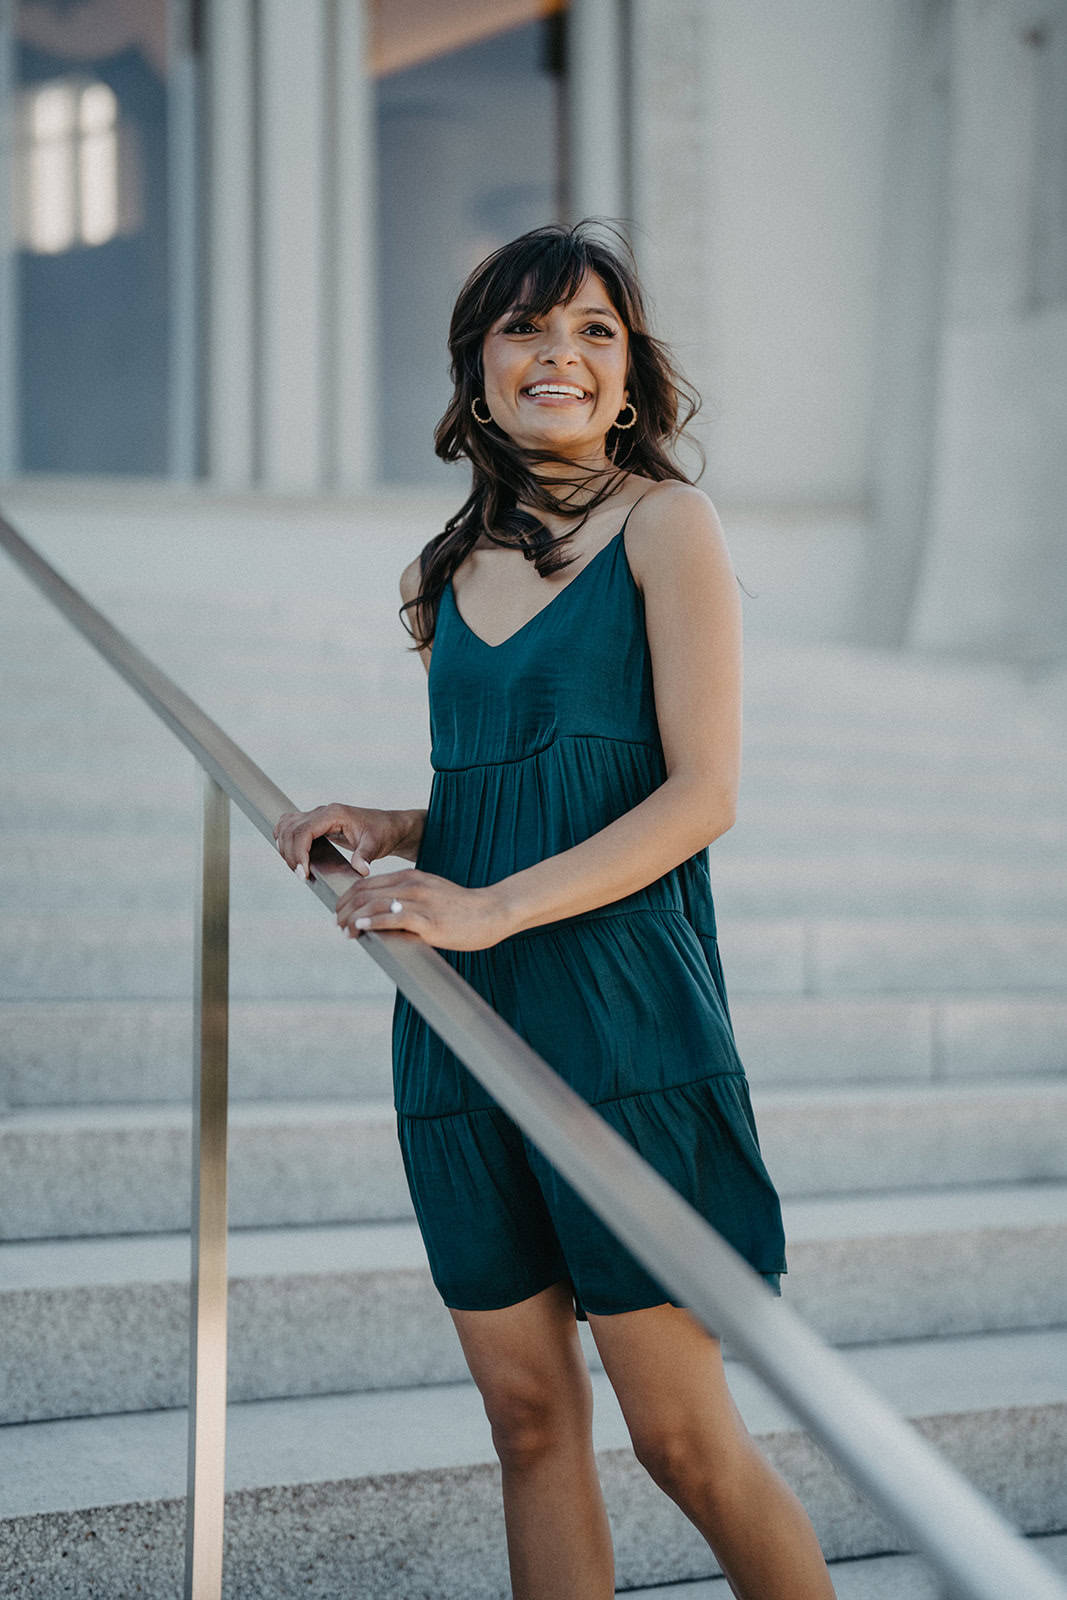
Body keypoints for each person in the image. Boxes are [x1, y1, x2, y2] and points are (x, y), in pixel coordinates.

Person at [275, 221, 837, 1600]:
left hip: (620, 1025)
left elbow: (699, 793)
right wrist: (398, 829)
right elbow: (518, 777)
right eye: (529, 328)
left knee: (682, 1443)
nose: (561, 355)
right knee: (529, 1425)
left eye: (596, 330)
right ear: (480, 366)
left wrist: (493, 907)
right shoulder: (440, 570)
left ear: (632, 373)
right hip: (459, 1032)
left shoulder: (667, 524)